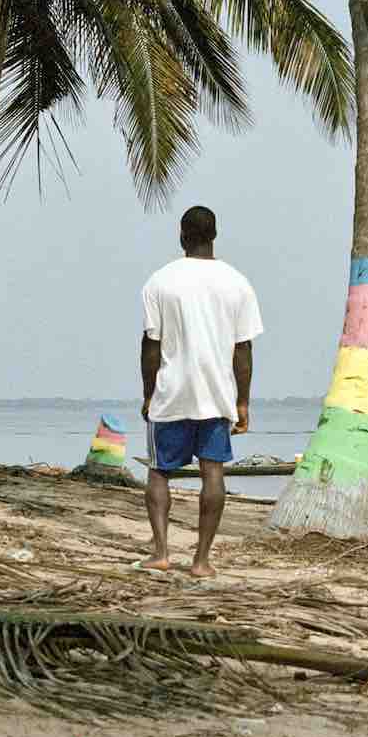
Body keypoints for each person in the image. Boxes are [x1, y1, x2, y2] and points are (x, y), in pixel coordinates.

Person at [139, 206, 262, 577]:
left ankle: (161, 553)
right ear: (215, 235)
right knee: (213, 472)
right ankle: (201, 560)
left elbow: (150, 346)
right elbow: (243, 349)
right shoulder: (238, 283)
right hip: (216, 394)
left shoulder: (160, 282)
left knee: (159, 472)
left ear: (181, 235)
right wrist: (242, 401)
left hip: (172, 393)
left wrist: (148, 393)